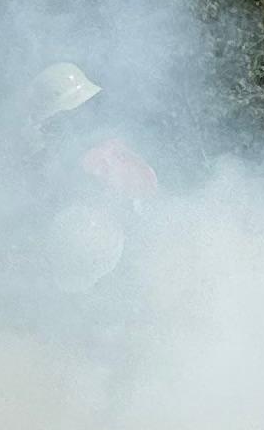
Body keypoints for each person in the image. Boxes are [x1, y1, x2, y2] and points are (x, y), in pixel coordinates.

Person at [19, 61, 159, 293]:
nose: (45, 130)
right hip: (124, 257)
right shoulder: (112, 146)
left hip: (105, 269)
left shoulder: (91, 161)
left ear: (64, 115)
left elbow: (74, 230)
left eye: (49, 124)